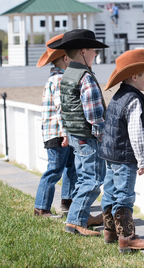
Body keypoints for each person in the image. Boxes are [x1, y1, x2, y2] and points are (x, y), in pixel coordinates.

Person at [99, 48, 144, 253]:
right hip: (125, 156)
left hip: (110, 154)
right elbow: (136, 133)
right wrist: (142, 159)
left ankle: (110, 231)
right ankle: (127, 238)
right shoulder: (134, 100)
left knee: (110, 191)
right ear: (135, 76)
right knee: (124, 195)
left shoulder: (119, 95)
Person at [48, 29, 109, 236]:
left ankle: (80, 216)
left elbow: (65, 108)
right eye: (94, 51)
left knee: (83, 177)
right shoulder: (86, 77)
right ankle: (75, 221)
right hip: (87, 137)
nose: (95, 55)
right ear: (83, 51)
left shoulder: (66, 75)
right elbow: (94, 114)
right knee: (93, 179)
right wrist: (103, 136)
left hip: (75, 135)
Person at [34, 34, 78, 218]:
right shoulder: (60, 80)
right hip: (58, 134)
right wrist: (67, 133)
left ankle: (67, 202)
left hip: (55, 132)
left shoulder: (53, 79)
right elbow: (63, 109)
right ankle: (41, 207)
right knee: (55, 169)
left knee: (70, 166)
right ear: (66, 58)